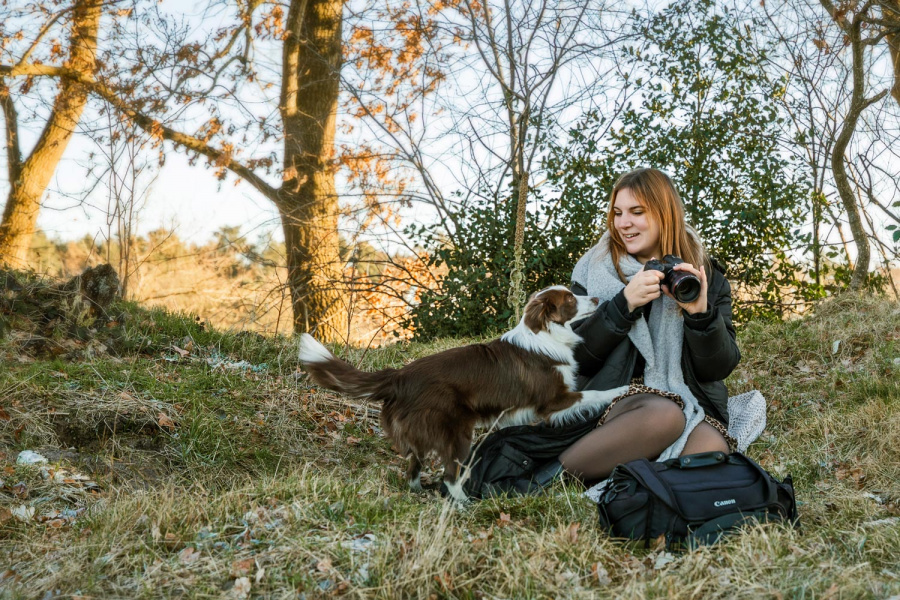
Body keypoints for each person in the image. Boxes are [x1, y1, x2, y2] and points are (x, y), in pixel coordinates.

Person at [550, 167, 741, 482]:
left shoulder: (704, 275)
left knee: (710, 454)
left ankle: (635, 484)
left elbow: (717, 369)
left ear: (665, 214)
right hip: (614, 400)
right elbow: (576, 358)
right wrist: (623, 304)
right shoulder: (594, 271)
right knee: (664, 416)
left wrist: (700, 314)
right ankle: (549, 477)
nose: (623, 223)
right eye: (618, 213)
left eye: (636, 212)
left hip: (687, 401)